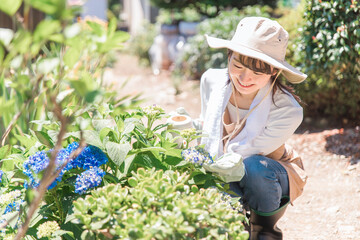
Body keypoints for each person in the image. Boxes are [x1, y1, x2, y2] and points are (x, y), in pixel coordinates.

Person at [199, 17, 308, 239]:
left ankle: (264, 231)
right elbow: (206, 130)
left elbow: (248, 152)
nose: (244, 78)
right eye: (237, 65)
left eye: (257, 73)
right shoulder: (211, 80)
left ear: (274, 72)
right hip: (224, 165)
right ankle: (234, 227)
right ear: (228, 56)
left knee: (254, 168)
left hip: (269, 167)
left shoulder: (288, 109)